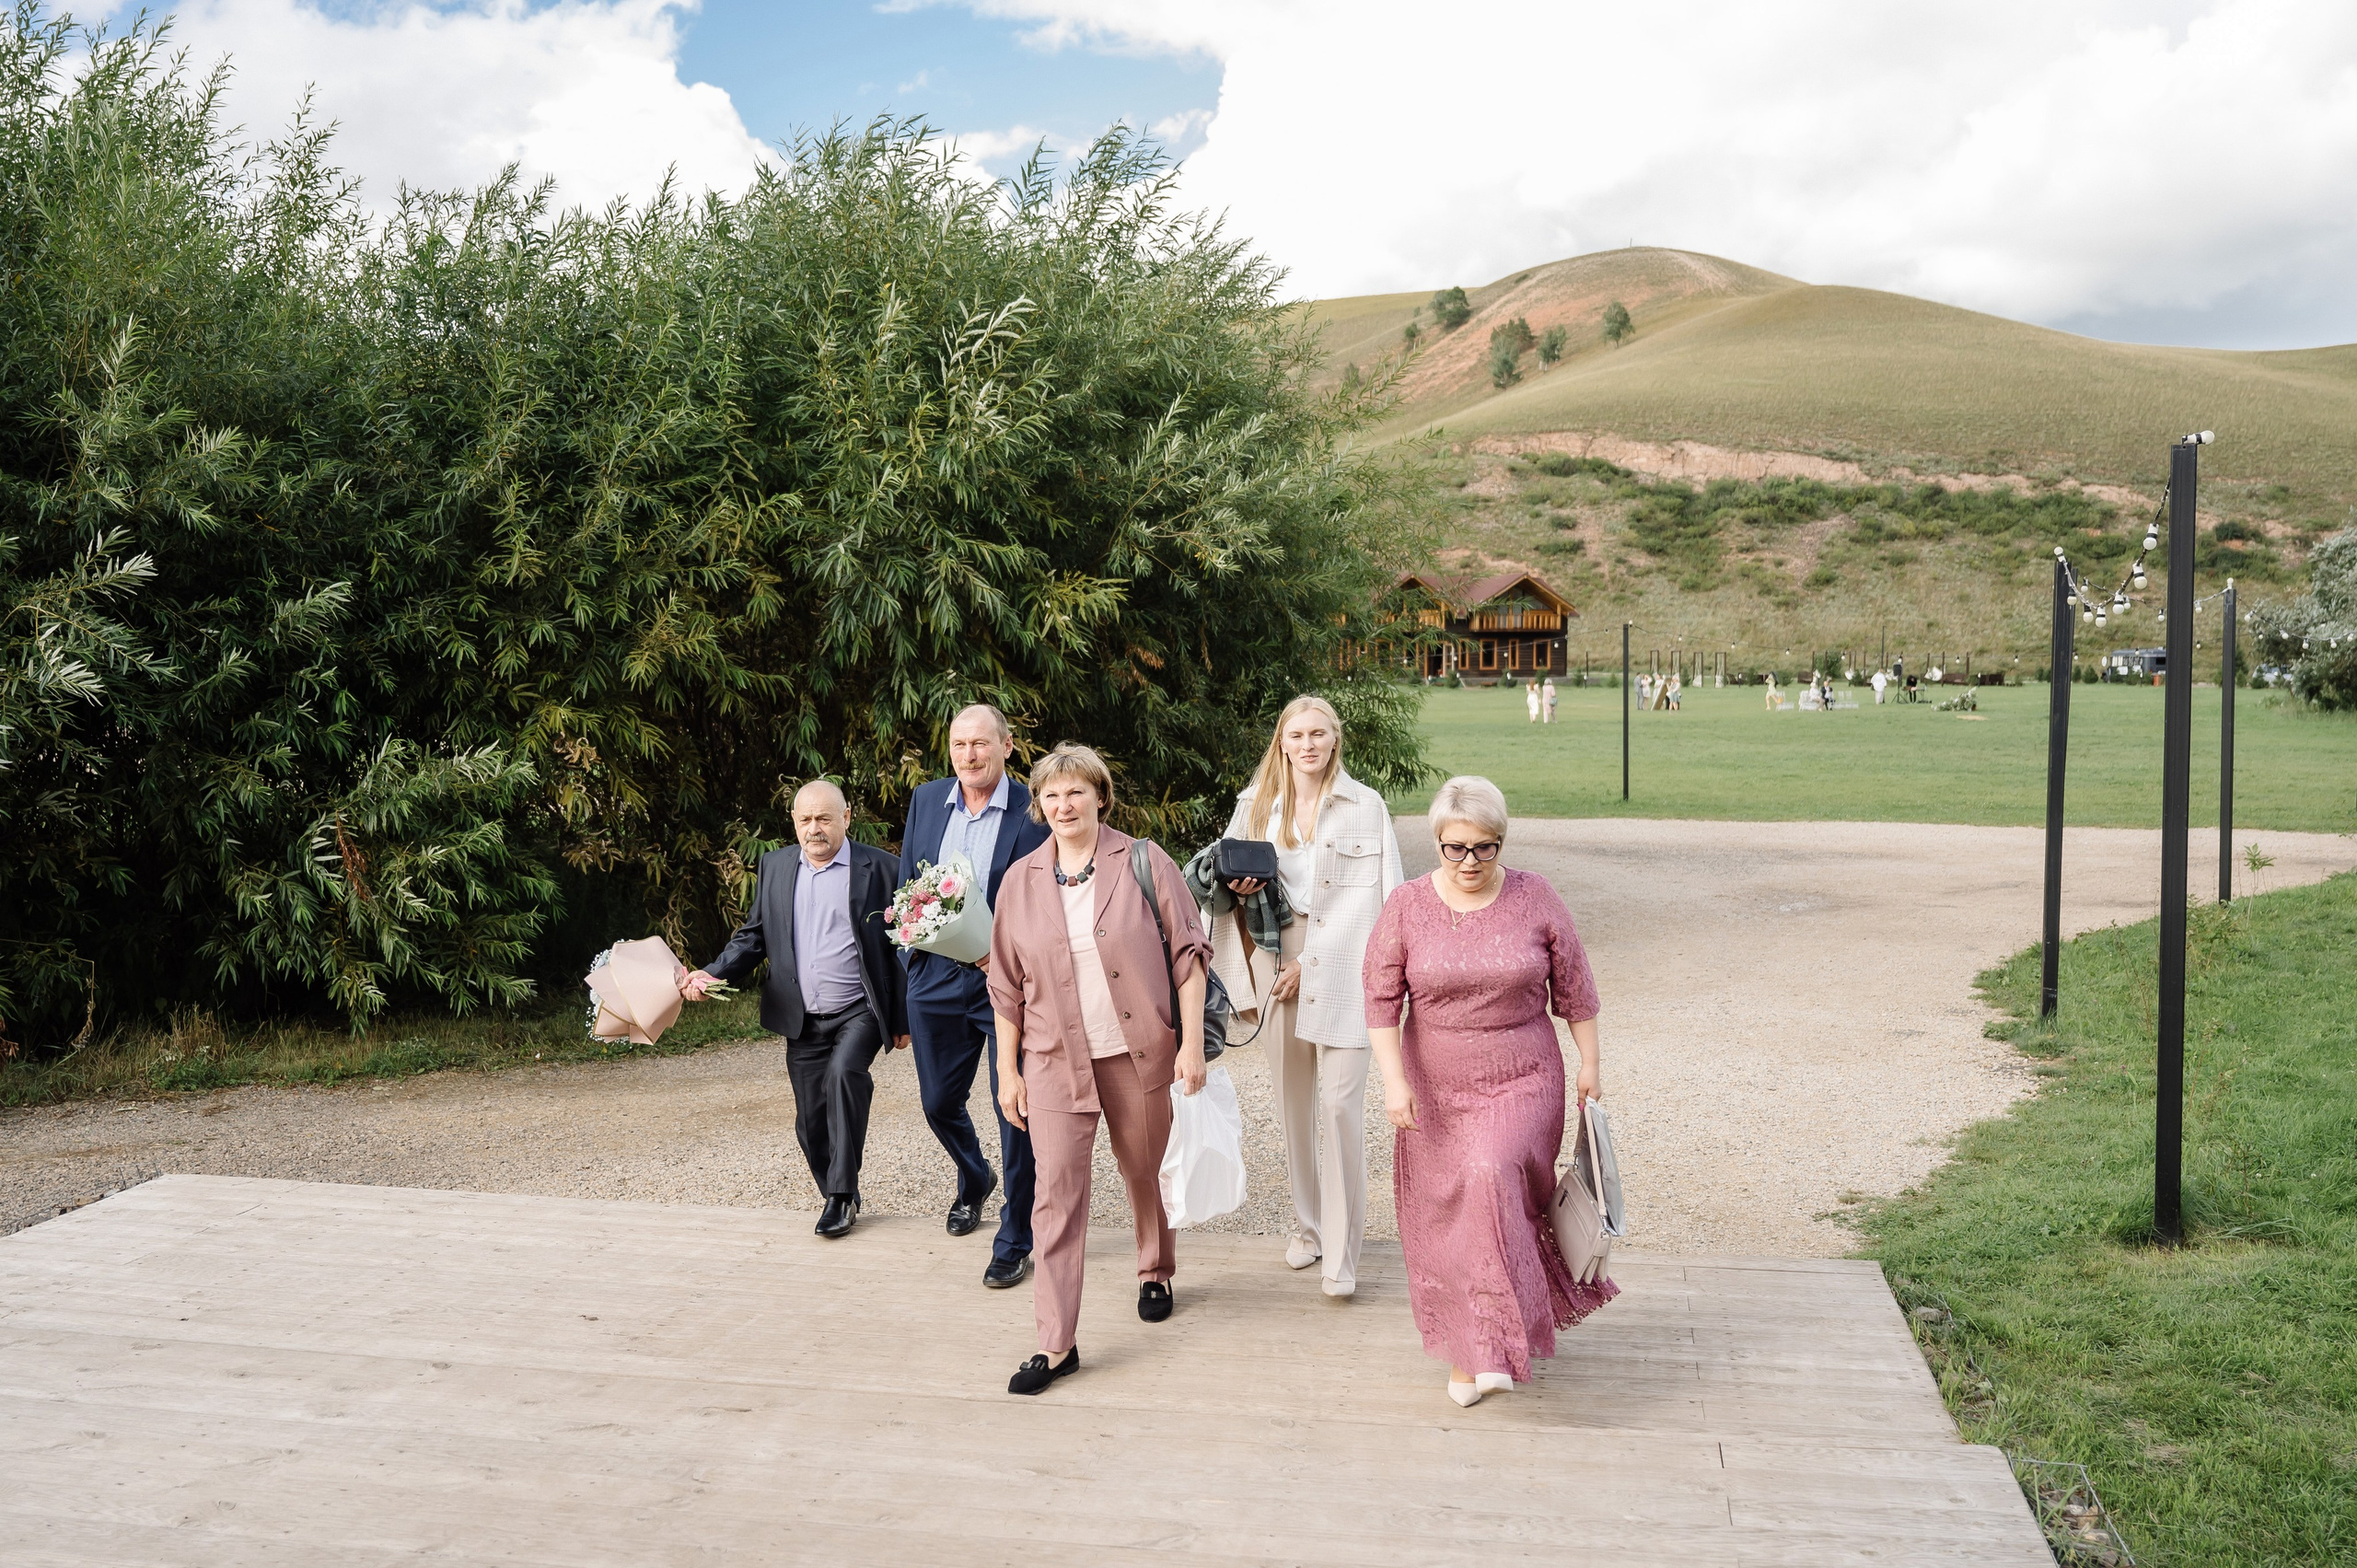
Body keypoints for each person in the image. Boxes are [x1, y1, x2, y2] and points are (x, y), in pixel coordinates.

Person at [1364, 775, 1614, 1407]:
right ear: (1437, 842)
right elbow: (1379, 999)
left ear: (1502, 841)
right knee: (1452, 1214)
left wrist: (1590, 1061)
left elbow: (1575, 985)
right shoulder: (1408, 905)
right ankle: (1469, 1350)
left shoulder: (1536, 897)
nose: (1470, 861)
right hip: (1436, 1086)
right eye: (1456, 847)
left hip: (1524, 1076)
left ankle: (1495, 1343)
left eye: (1485, 847)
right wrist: (1393, 1080)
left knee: (1490, 1176)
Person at [990, 743, 1209, 1395]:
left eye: (1076, 792)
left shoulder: (1143, 860)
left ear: (1100, 796)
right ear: (1039, 806)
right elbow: (1004, 987)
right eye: (1052, 796)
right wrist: (1007, 1069)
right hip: (1054, 1061)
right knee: (1054, 1196)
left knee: (1144, 1168)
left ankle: (1155, 1266)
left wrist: (1190, 1043)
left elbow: (1189, 956)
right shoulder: (1020, 879)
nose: (1064, 805)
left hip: (1137, 1050)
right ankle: (1056, 1344)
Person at [1213, 695, 1403, 1298]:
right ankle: (1309, 1226)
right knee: (1295, 1102)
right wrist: (1239, 897)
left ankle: (1342, 1258)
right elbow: (1216, 891)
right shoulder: (1253, 805)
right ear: (1282, 741)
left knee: (1340, 1106)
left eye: (1318, 733)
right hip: (1276, 959)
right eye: (1296, 734)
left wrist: (1384, 986)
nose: (1308, 744)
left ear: (1334, 739)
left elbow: (1392, 902)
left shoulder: (1366, 806)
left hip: (1346, 965)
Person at [681, 781, 909, 1238]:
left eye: (825, 818)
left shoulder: (881, 868)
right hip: (802, 1016)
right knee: (809, 1121)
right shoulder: (776, 865)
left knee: (845, 1075)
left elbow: (902, 947)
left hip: (858, 1008)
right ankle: (834, 1192)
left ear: (846, 817)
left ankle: (842, 1197)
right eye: (805, 820)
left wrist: (902, 1018)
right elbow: (753, 936)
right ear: (794, 822)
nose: (815, 829)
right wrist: (712, 973)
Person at [897, 703, 1051, 1287]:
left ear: (1006, 747)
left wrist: (1008, 957)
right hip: (935, 977)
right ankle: (975, 1176)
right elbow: (913, 881)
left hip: (1006, 983)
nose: (969, 755)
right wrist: (908, 958)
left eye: (981, 744)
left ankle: (1016, 1234)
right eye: (960, 745)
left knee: (1014, 1108)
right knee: (937, 1102)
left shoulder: (1034, 811)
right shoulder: (926, 800)